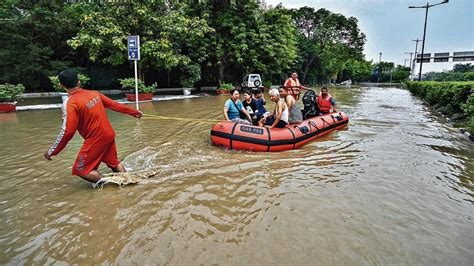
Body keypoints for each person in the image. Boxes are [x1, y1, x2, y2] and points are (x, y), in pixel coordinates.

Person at [44, 70, 143, 183]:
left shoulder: (70, 103)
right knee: (114, 163)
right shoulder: (94, 94)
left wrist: (52, 151)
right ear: (79, 82)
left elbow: (67, 131)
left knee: (80, 170)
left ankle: (112, 183)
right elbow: (114, 105)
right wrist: (135, 112)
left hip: (96, 139)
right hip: (109, 134)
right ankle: (129, 182)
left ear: (61, 85)